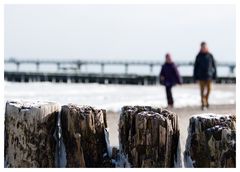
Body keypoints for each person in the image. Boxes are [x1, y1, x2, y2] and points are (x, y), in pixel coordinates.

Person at [193, 42, 217, 110]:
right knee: (202, 91)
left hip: (209, 76)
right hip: (201, 76)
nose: (203, 48)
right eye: (202, 47)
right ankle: (203, 104)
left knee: (209, 90)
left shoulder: (210, 55)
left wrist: (215, 75)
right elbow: (195, 67)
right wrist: (195, 77)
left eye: (204, 47)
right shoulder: (198, 56)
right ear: (200, 47)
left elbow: (214, 66)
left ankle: (206, 100)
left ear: (206, 47)